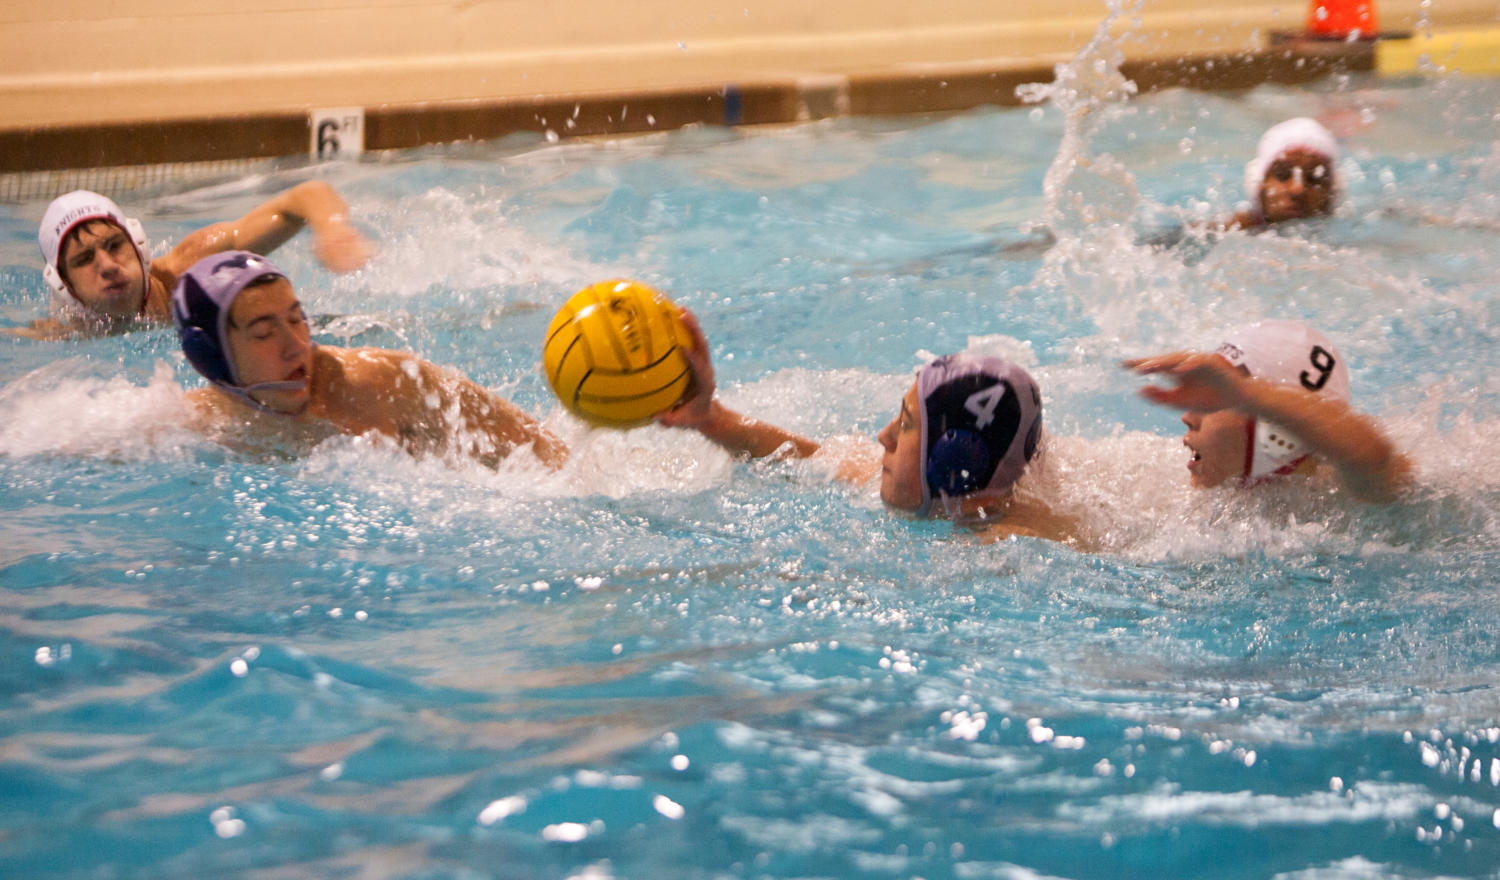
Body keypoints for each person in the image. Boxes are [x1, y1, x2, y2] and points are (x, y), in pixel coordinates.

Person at [656, 313, 1084, 544]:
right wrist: (710, 418)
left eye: (908, 423)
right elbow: (808, 458)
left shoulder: (1012, 546)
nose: (884, 436)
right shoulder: (939, 493)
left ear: (952, 461)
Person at [171, 251, 566, 470]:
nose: (296, 346)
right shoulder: (200, 425)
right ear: (213, 357)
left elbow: (546, 453)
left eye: (297, 319)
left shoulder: (379, 383)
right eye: (263, 332)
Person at [16, 181, 371, 339]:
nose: (108, 265)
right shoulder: (69, 334)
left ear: (138, 245)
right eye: (84, 259)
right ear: (64, 285)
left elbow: (308, 195)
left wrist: (333, 229)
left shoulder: (193, 268)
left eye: (114, 245)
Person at [1124, 320, 1412, 503]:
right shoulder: (1177, 488)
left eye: (1214, 401)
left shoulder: (1342, 497)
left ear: (1274, 429)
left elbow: (1375, 461)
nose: (1187, 417)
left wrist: (1246, 394)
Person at [1230, 117, 1340, 229]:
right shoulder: (1230, 231)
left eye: (1313, 179)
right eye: (1282, 175)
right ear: (1259, 185)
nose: (1298, 189)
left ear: (1331, 191)